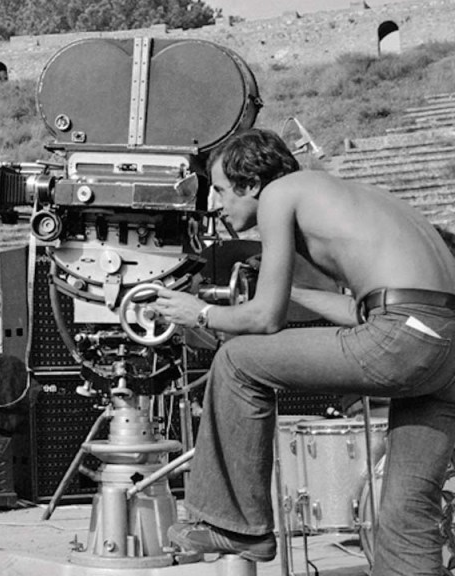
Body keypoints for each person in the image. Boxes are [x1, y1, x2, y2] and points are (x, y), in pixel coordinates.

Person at [152, 128, 455, 575]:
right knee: (405, 511)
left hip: (404, 337)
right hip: (443, 349)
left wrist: (199, 312)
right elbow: (368, 312)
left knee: (237, 361)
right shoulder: (345, 195)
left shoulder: (279, 194)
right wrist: (296, 291)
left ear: (251, 183)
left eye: (219, 190)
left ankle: (237, 525)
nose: (216, 204)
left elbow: (264, 320)